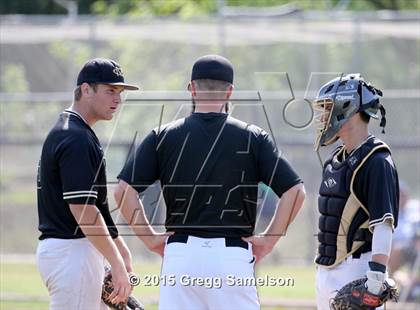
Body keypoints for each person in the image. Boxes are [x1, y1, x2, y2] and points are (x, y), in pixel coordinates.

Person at [114, 54, 305, 310]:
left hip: (181, 255)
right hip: (232, 255)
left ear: (192, 89)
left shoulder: (163, 135)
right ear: (230, 92)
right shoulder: (253, 137)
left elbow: (123, 191)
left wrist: (149, 238)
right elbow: (295, 191)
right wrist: (269, 240)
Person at [36, 58, 139, 309]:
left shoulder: (74, 131)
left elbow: (95, 205)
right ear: (85, 89)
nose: (118, 99)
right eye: (110, 91)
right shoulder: (75, 138)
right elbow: (83, 210)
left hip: (77, 250)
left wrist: (119, 249)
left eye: (120, 92)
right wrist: (115, 262)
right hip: (72, 252)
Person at [312, 73, 399, 309]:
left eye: (329, 108)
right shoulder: (336, 159)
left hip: (359, 271)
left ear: (347, 107)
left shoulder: (376, 160)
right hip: (327, 269)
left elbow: (383, 224)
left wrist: (375, 279)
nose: (324, 116)